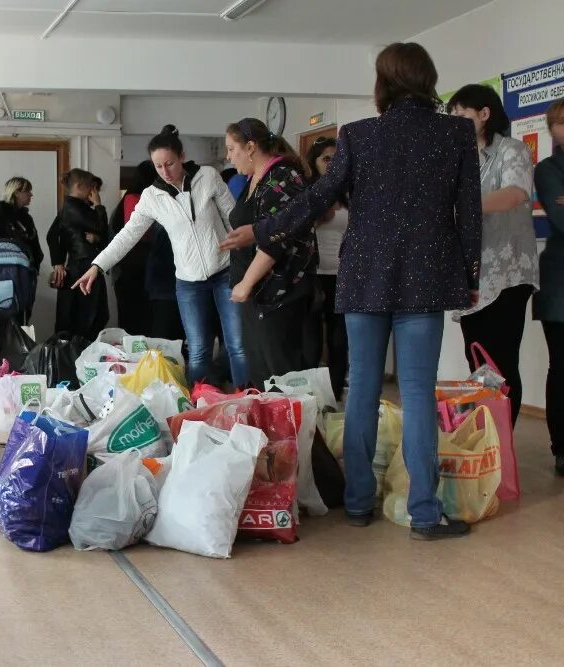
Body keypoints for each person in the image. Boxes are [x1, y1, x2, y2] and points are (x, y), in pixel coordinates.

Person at [222, 42, 483, 539]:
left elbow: (319, 195)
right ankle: (426, 514)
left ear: (382, 83)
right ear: (428, 80)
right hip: (426, 278)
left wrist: (263, 229)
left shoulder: (359, 135)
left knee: (361, 387)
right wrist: (468, 276)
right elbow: (467, 211)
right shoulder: (455, 133)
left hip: (364, 273)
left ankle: (359, 502)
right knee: (418, 393)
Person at [73, 125, 247, 389]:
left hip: (224, 272)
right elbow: (127, 235)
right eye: (158, 166)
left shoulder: (208, 177)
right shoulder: (151, 197)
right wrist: (97, 265)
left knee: (237, 345)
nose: (165, 171)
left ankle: (248, 400)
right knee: (198, 350)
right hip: (188, 282)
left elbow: (233, 218)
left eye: (170, 163)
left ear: (182, 157)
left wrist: (247, 260)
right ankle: (200, 406)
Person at [448, 84, 539, 426]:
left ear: (484, 114)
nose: (454, 121)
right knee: (478, 362)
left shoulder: (511, 150)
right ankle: (485, 437)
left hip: (507, 273)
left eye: (461, 114)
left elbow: (515, 193)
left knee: (501, 361)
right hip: (470, 276)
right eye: (451, 115)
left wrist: (463, 207)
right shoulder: (458, 158)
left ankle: (501, 443)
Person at [224, 118, 320, 388]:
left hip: (279, 292)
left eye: (232, 149)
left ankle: (292, 429)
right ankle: (269, 427)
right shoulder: (254, 178)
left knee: (282, 375)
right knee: (261, 373)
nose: (229, 157)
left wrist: (246, 282)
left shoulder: (283, 177)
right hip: (258, 294)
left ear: (251, 147)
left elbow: (278, 238)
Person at [307, 137, 350, 401]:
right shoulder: (308, 193)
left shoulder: (349, 191)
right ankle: (311, 395)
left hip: (341, 277)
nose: (331, 163)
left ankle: (334, 394)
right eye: (325, 158)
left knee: (338, 339)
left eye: (336, 158)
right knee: (311, 339)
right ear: (314, 163)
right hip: (312, 275)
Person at [534, 98, 564, 475]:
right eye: (558, 123)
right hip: (560, 284)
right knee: (562, 366)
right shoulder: (548, 169)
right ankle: (562, 447)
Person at [48, 168, 110, 339]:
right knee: (88, 316)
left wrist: (97, 238)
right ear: (80, 186)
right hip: (82, 265)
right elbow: (102, 228)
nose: (93, 192)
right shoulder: (73, 208)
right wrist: (98, 205)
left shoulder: (74, 208)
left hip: (82, 265)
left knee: (90, 315)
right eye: (91, 187)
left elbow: (103, 235)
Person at [0, 177, 44, 320]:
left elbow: (34, 244)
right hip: (8, 276)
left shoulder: (26, 218)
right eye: (27, 191)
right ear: (16, 193)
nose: (31, 195)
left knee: (23, 316)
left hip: (27, 273)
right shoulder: (1, 214)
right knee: (11, 316)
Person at [108, 161, 158, 335]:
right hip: (133, 265)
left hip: (138, 264)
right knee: (135, 313)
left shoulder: (134, 197)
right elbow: (138, 232)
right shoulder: (134, 198)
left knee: (143, 312)